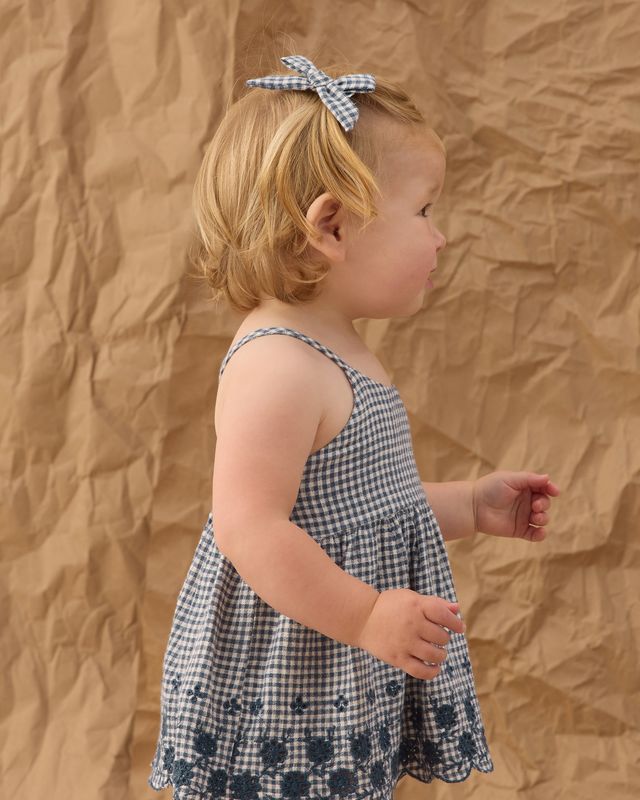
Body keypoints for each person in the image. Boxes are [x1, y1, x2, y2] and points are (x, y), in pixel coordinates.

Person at [148, 54, 560, 799]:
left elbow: (354, 511)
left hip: (334, 665)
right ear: (332, 225)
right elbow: (250, 529)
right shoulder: (279, 365)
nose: (439, 238)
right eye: (425, 212)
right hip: (285, 685)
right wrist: (366, 613)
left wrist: (468, 505)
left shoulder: (339, 347)